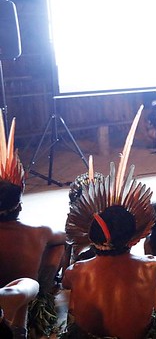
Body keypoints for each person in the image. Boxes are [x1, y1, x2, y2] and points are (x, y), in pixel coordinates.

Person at [62, 107, 156, 339]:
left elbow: (65, 283)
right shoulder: (152, 265)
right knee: (154, 286)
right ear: (134, 236)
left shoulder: (76, 271)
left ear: (93, 235)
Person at [0, 115, 65, 338]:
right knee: (58, 246)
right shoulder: (39, 233)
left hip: (7, 300)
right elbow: (65, 237)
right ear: (19, 205)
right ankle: (44, 294)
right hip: (22, 301)